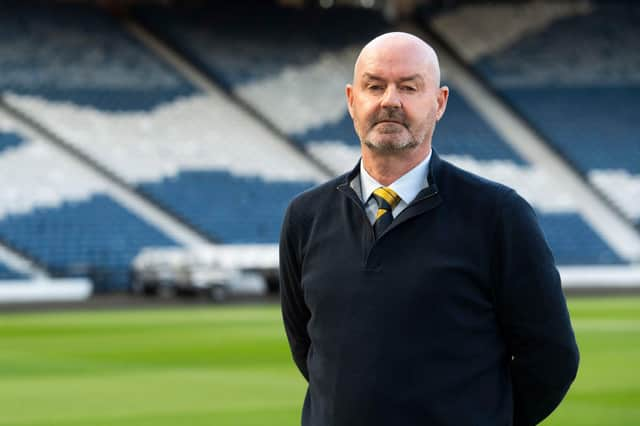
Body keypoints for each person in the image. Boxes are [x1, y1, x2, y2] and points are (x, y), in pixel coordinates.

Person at [279, 32, 579, 426]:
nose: (390, 100)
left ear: (439, 103)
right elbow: (307, 348)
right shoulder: (305, 217)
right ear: (352, 101)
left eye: (409, 86)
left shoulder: (499, 216)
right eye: (375, 86)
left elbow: (552, 357)